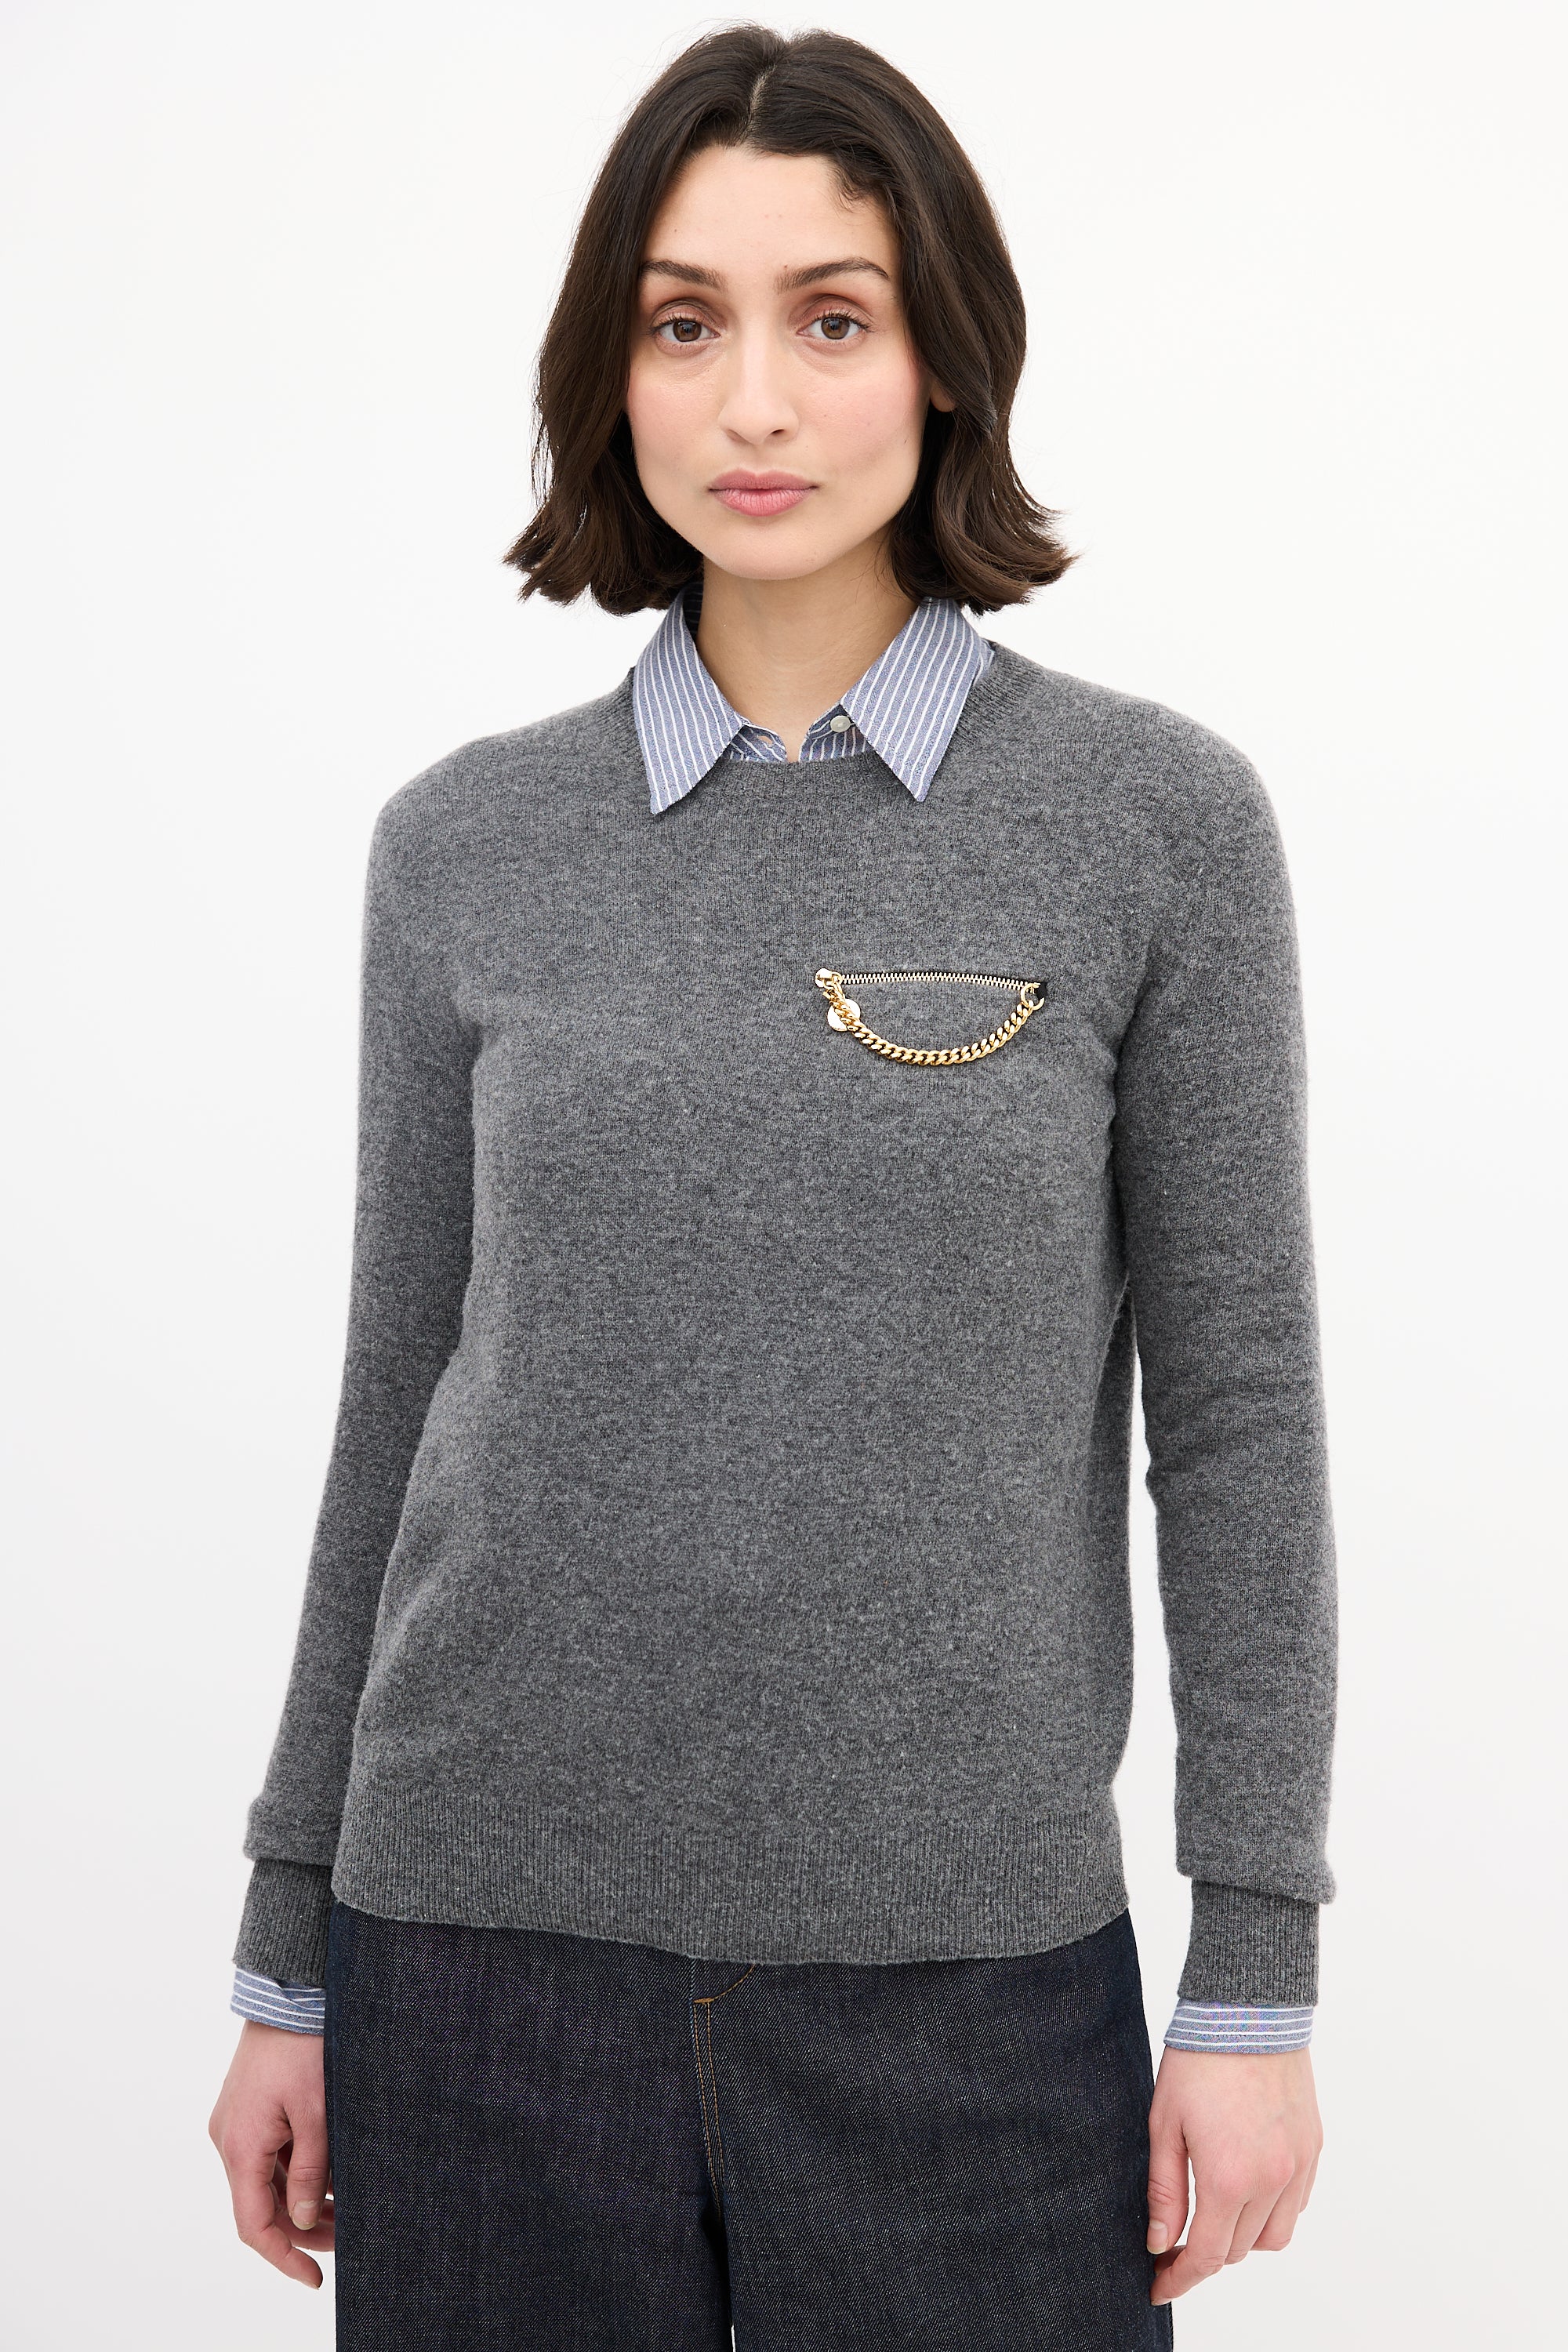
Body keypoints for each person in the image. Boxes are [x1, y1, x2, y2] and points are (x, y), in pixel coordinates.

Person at [208, 24, 1336, 2348]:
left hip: (970, 1989)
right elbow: (397, 1402)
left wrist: (1254, 1979)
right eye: (680, 322)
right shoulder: (463, 846)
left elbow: (1237, 1425)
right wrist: (284, 1945)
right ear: (607, 375)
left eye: (832, 318)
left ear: (945, 361)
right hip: (478, 1972)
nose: (753, 402)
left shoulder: (1155, 826)